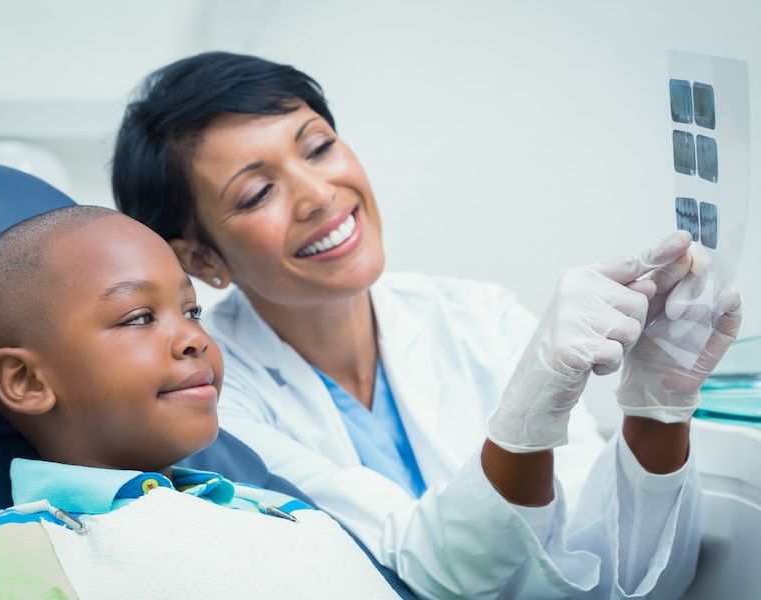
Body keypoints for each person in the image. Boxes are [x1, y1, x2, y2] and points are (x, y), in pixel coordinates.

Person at [111, 51, 743, 599]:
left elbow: (622, 572)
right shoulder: (214, 400)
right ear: (198, 260)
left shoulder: (478, 315)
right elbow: (416, 571)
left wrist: (657, 409)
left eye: (319, 147)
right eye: (256, 194)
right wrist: (523, 420)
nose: (320, 195)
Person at [0, 205, 402, 599]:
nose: (194, 338)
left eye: (192, 311)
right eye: (139, 318)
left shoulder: (279, 510)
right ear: (27, 381)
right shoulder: (3, 554)